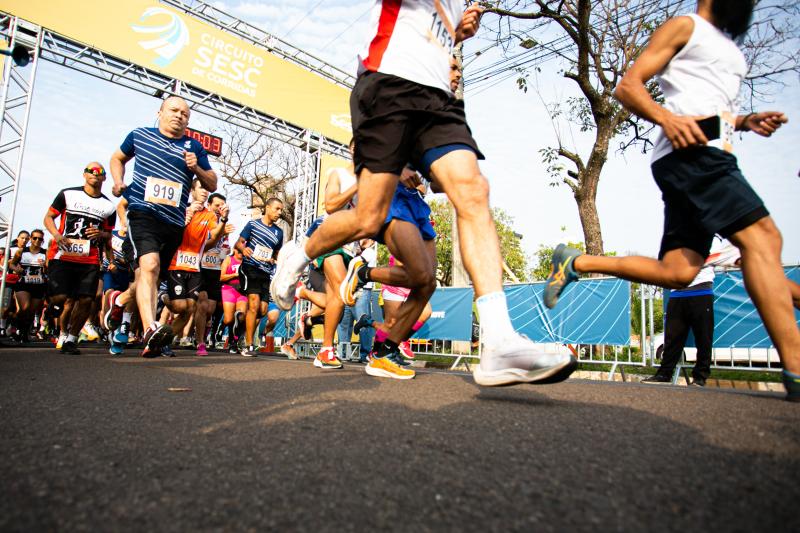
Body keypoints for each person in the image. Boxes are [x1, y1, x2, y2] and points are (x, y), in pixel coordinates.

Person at [271, 1, 575, 386]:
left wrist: (456, 31)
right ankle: (300, 255)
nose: (457, 69)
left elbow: (437, 183)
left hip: (436, 102)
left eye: (458, 67)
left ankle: (499, 342)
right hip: (391, 79)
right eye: (456, 65)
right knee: (368, 216)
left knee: (471, 193)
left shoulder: (451, 61)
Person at [544, 0, 800, 401]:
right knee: (764, 240)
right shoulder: (686, 26)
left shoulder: (725, 45)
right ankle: (797, 367)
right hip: (695, 157)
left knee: (680, 271)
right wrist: (667, 119)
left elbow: (707, 108)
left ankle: (576, 262)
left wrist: (744, 122)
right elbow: (628, 86)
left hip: (702, 155)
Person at [109, 96, 218, 357]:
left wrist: (197, 169)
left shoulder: (194, 147)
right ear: (160, 112)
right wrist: (117, 181)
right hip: (143, 214)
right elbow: (117, 158)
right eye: (174, 110)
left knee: (150, 277)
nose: (179, 115)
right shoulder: (140, 135)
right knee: (150, 267)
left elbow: (212, 183)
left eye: (185, 114)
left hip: (173, 222)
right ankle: (149, 330)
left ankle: (120, 300)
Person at [43, 163, 116, 354]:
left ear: (104, 178)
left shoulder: (108, 206)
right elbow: (48, 217)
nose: (95, 174)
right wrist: (57, 236)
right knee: (61, 298)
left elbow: (109, 235)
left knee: (85, 300)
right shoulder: (68, 194)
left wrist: (101, 234)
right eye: (91, 171)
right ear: (84, 175)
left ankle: (71, 339)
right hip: (63, 255)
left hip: (89, 259)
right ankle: (51, 307)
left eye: (100, 172)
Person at [643, 245, 740, 386]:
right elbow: (665, 262)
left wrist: (688, 262)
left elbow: (717, 256)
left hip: (701, 292)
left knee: (703, 338)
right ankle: (664, 374)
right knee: (672, 338)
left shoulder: (711, 239)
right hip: (677, 293)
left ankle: (700, 377)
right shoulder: (676, 241)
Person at [160, 179, 228, 357]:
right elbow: (168, 233)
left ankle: (167, 341)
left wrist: (223, 221)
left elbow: (213, 239)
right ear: (192, 191)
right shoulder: (181, 208)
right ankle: (164, 298)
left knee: (192, 308)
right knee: (180, 307)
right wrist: (185, 218)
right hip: (176, 264)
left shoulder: (210, 215)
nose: (205, 191)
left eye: (207, 189)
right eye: (201, 188)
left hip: (196, 268)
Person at [234, 198, 283, 357]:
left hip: (265, 272)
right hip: (250, 267)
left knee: (261, 310)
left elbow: (275, 253)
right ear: (267, 208)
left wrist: (274, 258)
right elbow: (239, 243)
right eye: (277, 209)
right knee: (253, 305)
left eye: (281, 210)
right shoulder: (253, 224)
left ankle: (242, 328)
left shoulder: (279, 232)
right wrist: (244, 249)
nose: (279, 213)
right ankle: (248, 345)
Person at [196, 192, 232, 353]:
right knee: (202, 305)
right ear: (209, 205)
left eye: (222, 206)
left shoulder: (224, 224)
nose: (219, 209)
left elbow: (222, 249)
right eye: (217, 205)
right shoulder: (205, 219)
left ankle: (200, 333)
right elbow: (204, 242)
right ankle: (200, 341)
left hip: (215, 270)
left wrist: (225, 251)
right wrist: (220, 233)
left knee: (209, 309)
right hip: (200, 267)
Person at [8, 229, 47, 344]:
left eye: (40, 239)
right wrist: (16, 269)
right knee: (25, 307)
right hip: (23, 283)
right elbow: (11, 263)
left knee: (31, 311)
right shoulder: (21, 251)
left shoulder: (46, 253)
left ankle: (24, 333)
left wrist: (46, 266)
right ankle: (15, 326)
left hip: (38, 284)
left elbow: (50, 267)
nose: (37, 240)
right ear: (30, 239)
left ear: (42, 240)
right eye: (35, 238)